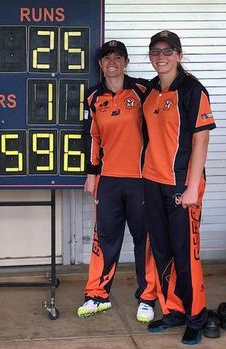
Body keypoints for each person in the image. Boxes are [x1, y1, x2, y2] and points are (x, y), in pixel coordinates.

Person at [141, 30, 216, 345]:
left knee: (187, 255)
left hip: (182, 186)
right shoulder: (149, 91)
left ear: (180, 55)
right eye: (156, 51)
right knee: (161, 251)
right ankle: (172, 311)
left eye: (168, 51)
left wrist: (192, 187)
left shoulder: (192, 90)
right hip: (152, 182)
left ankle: (196, 317)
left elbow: (201, 139)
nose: (161, 56)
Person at [78, 40, 159, 322]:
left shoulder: (142, 90)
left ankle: (148, 297)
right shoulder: (92, 97)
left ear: (125, 62)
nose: (111, 62)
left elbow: (162, 124)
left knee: (144, 239)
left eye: (117, 57)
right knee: (105, 239)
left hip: (141, 180)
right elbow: (92, 138)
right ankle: (96, 295)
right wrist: (91, 174)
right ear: (100, 64)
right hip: (109, 181)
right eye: (106, 58)